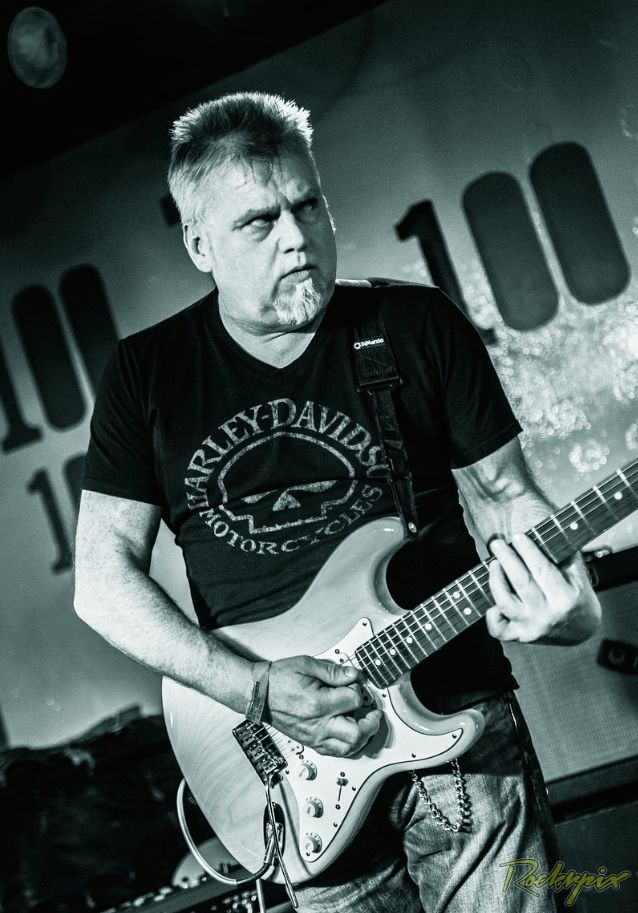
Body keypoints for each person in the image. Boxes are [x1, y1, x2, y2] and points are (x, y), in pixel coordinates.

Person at [73, 91, 601, 912]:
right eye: (260, 221)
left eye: (308, 204)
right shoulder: (147, 374)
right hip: (292, 768)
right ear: (199, 242)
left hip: (457, 726)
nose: (297, 236)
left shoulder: (411, 322)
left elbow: (508, 496)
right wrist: (255, 690)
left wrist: (575, 604)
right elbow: (101, 582)